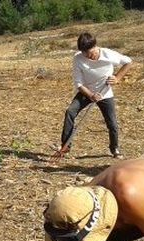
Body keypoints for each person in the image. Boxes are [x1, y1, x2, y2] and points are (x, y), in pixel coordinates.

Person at [54, 32, 132, 160]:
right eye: (85, 53)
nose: (88, 56)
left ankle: (115, 149)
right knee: (70, 112)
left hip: (105, 93)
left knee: (112, 123)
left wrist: (117, 78)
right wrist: (90, 95)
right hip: (86, 92)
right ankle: (66, 145)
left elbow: (128, 62)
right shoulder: (78, 58)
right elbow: (78, 83)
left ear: (96, 46)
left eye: (90, 53)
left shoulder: (108, 54)